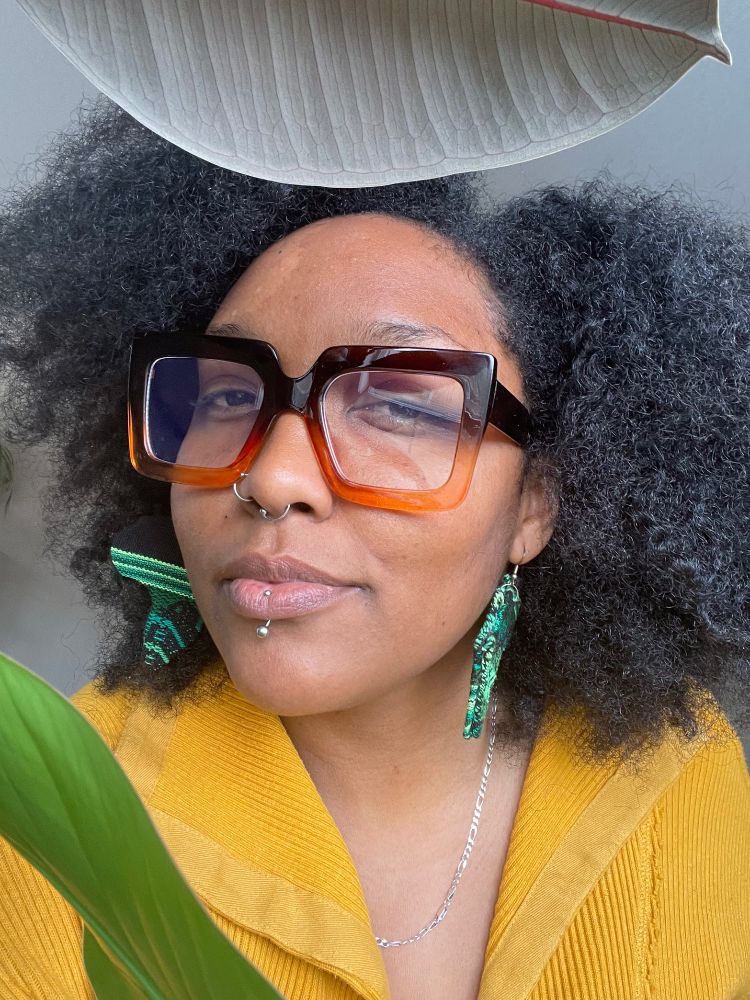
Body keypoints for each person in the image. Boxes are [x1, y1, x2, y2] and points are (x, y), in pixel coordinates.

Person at [0, 99, 748, 1000]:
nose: (274, 480)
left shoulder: (677, 774)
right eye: (229, 397)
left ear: (536, 506)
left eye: (398, 404)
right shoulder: (41, 826)